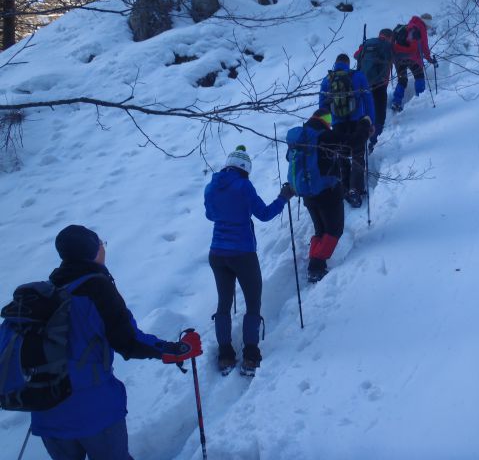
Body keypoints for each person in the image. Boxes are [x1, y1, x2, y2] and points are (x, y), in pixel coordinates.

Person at [33, 224, 203, 460]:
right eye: (100, 244)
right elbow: (129, 341)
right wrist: (177, 350)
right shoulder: (96, 288)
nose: (104, 248)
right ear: (92, 252)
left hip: (46, 410)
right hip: (93, 410)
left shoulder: (45, 293)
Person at [204, 145, 294, 375]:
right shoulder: (244, 186)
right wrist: (283, 198)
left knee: (223, 303)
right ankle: (251, 356)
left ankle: (225, 355)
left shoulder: (211, 187)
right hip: (243, 253)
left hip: (217, 253)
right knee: (253, 302)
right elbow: (264, 214)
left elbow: (211, 215)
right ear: (245, 169)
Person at [287, 108, 372, 283]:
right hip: (328, 193)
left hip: (308, 194)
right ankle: (317, 265)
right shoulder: (324, 137)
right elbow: (353, 144)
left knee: (320, 230)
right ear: (326, 122)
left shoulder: (299, 139)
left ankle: (314, 263)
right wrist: (365, 125)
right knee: (334, 230)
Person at [319, 53, 376, 208]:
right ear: (348, 63)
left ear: (335, 63)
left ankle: (344, 188)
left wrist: (325, 127)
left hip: (337, 123)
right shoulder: (358, 76)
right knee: (357, 153)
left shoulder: (327, 81)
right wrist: (371, 122)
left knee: (342, 155)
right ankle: (355, 190)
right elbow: (368, 99)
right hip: (357, 122)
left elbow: (322, 107)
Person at [354, 28, 395, 153]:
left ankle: (363, 138)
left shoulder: (368, 43)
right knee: (380, 112)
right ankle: (375, 139)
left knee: (366, 111)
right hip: (380, 84)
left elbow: (356, 55)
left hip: (364, 83)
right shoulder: (387, 45)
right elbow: (394, 58)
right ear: (389, 37)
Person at [391, 13, 438, 112]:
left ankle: (396, 102)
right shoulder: (420, 27)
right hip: (412, 58)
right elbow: (424, 47)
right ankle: (420, 99)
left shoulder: (409, 25)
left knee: (402, 79)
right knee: (419, 77)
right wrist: (430, 59)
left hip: (398, 58)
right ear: (427, 22)